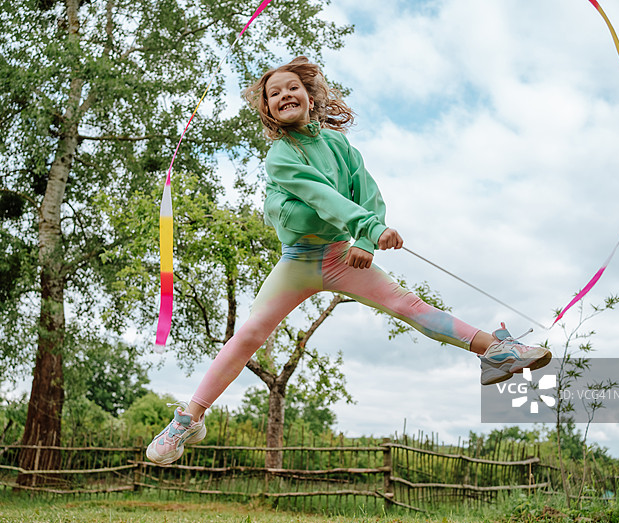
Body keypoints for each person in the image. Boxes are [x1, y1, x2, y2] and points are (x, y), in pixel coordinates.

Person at [146, 57, 551, 465]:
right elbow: (324, 197)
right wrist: (369, 229)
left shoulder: (340, 145)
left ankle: (496, 352)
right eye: (274, 93)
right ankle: (189, 418)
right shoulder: (280, 157)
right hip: (299, 260)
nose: (284, 94)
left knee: (409, 305)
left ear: (308, 95)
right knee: (250, 334)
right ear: (268, 110)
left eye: (292, 87)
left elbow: (367, 193)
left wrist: (366, 239)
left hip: (343, 257)